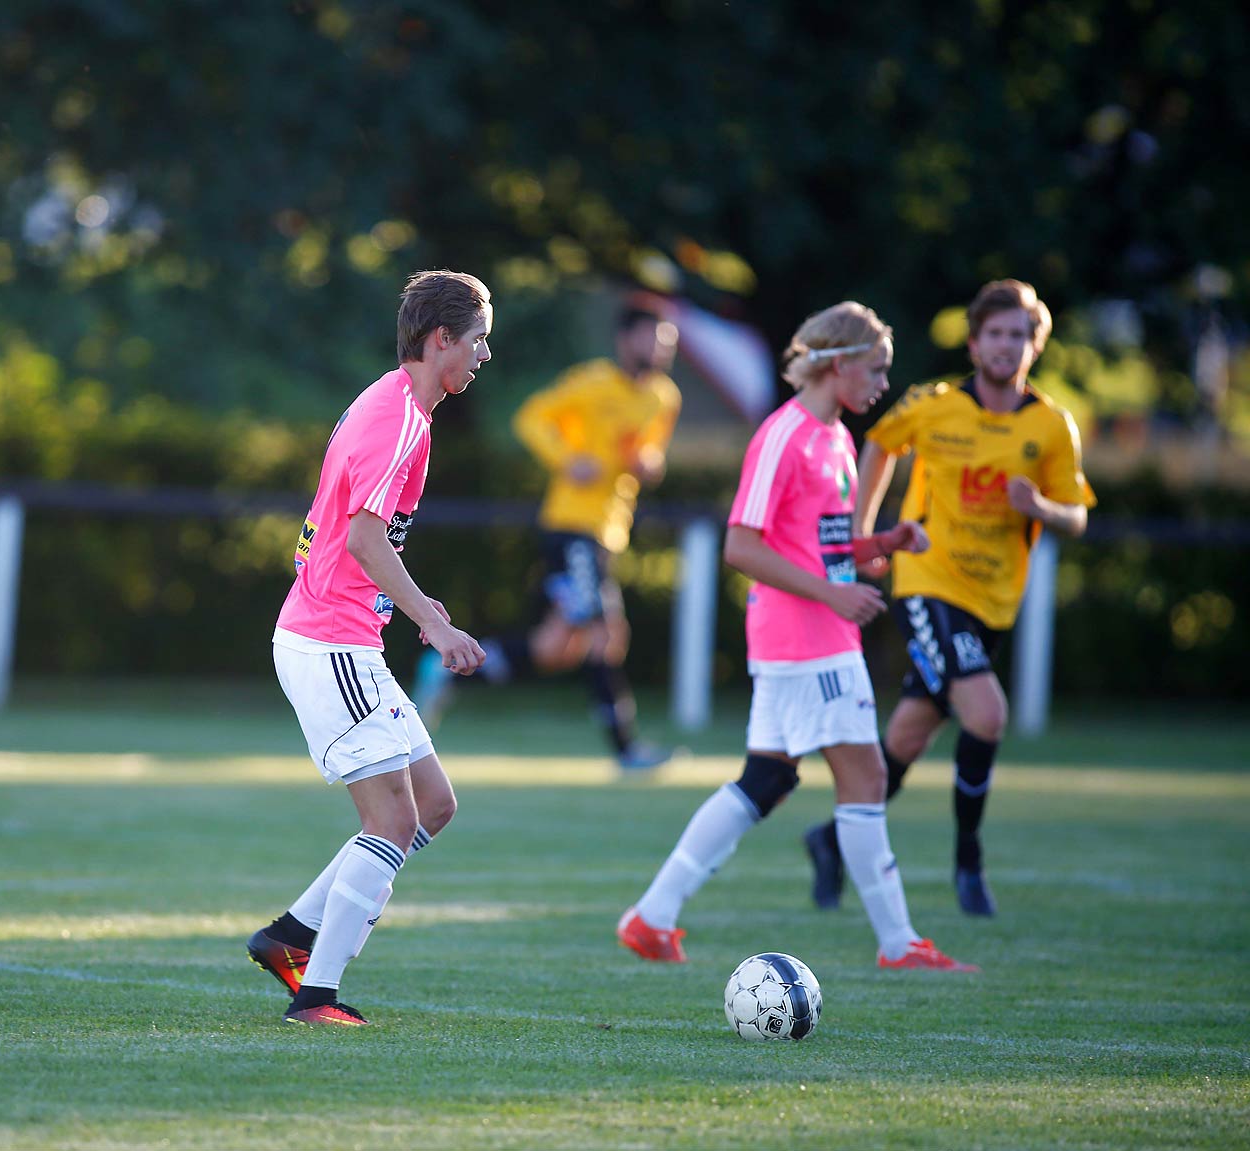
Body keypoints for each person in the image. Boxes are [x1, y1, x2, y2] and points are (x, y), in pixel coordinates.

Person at [617, 301, 977, 972]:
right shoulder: (783, 434)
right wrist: (834, 593)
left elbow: (825, 553)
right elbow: (741, 546)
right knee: (865, 776)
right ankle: (900, 944)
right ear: (836, 363)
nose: (881, 384)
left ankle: (652, 916)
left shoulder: (837, 438)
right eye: (875, 368)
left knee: (768, 778)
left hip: (812, 632)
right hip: (808, 638)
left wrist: (884, 543)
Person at [245, 270, 493, 1026]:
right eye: (478, 337)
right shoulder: (397, 418)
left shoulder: (399, 406)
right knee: (389, 822)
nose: (486, 353)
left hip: (344, 637)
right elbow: (361, 535)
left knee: (434, 807)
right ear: (440, 339)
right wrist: (434, 624)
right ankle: (315, 995)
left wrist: (412, 605)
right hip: (331, 645)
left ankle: (288, 937)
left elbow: (358, 537)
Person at [802, 280, 1095, 917]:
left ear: (1034, 345)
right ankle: (969, 864)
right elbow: (878, 442)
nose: (1005, 345)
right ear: (974, 342)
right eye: (994, 333)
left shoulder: (1050, 425)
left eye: (1018, 335)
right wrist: (862, 535)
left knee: (907, 737)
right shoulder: (934, 405)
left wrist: (1040, 507)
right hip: (928, 582)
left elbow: (1076, 516)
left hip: (994, 600)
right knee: (986, 714)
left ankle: (827, 841)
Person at [413, 303, 681, 769]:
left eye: (667, 341)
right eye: (651, 337)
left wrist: (650, 464)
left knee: (554, 649)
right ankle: (627, 750)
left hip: (608, 532)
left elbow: (649, 452)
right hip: (571, 526)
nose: (659, 348)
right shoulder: (593, 382)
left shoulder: (664, 397)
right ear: (626, 339)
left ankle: (449, 670)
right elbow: (533, 418)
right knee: (604, 635)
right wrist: (567, 458)